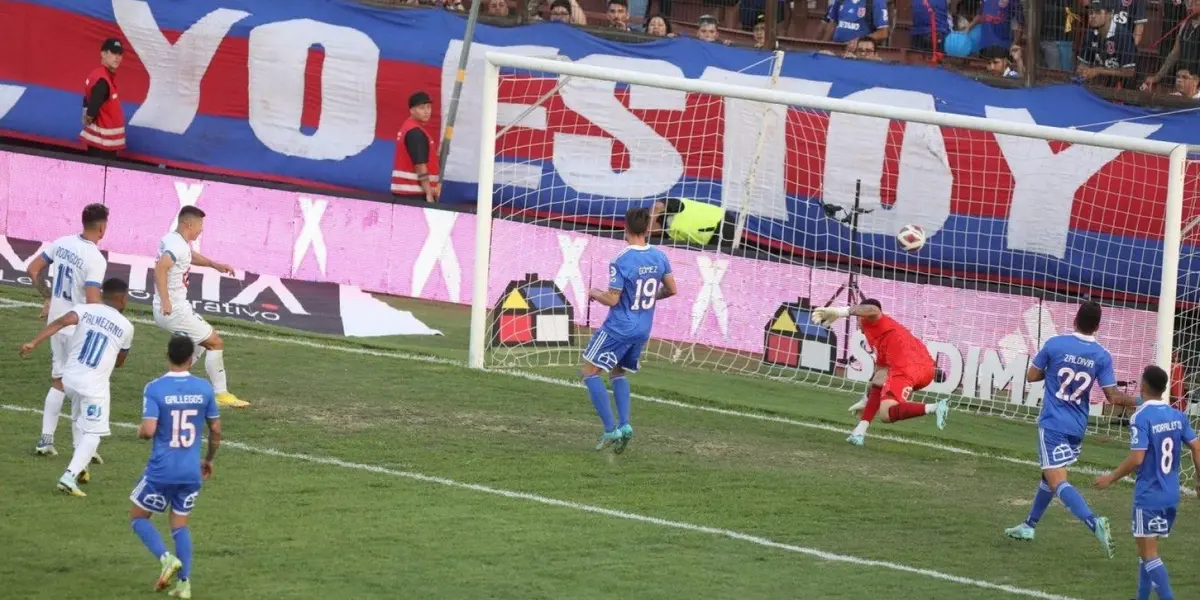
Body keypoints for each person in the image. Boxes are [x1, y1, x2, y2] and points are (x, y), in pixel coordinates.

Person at [1002, 301, 1136, 556]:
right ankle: (1029, 525)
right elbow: (1113, 397)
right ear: (1097, 326)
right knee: (1048, 477)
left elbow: (1031, 376)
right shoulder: (1102, 355)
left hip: (1053, 423)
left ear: (1075, 320)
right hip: (1077, 426)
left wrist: (1052, 370)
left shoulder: (1055, 344)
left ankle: (1093, 522)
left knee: (1057, 481)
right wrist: (1141, 400)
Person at [19, 278, 135, 497]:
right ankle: (69, 476)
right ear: (121, 298)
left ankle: (81, 466)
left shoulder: (84, 310)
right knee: (93, 433)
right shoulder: (126, 327)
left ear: (103, 294)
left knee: (78, 420)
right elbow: (120, 362)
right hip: (93, 387)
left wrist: (34, 342)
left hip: (69, 380)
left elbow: (61, 322)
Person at [1094, 365, 1199, 600]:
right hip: (1171, 494)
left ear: (1142, 385)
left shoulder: (1141, 417)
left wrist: (1110, 478)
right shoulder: (1177, 416)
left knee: (1149, 554)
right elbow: (1197, 446)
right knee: (1147, 549)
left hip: (1149, 495)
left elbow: (1137, 457)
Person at [129, 335, 221, 600]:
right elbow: (215, 429)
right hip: (191, 471)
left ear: (166, 355)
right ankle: (184, 585)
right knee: (180, 526)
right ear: (192, 359)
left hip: (162, 470)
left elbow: (148, 430)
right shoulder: (204, 388)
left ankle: (166, 558)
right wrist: (209, 459)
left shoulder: (155, 388)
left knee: (137, 517)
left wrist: (140, 433)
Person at [581, 207, 676, 453]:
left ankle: (610, 428)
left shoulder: (622, 260)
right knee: (617, 371)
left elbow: (613, 299)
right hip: (643, 327)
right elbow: (671, 290)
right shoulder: (659, 256)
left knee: (590, 372)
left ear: (626, 227)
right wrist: (647, 299)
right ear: (646, 229)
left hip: (619, 327)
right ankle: (624, 426)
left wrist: (594, 292)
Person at [25, 203, 109, 458]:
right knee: (84, 385)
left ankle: (46, 439)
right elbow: (93, 301)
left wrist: (48, 297)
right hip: (78, 330)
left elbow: (32, 269)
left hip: (55, 325)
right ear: (102, 228)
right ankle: (82, 447)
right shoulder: (95, 258)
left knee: (59, 380)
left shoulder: (61, 243)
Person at [811, 300, 949, 446]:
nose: (857, 324)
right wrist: (866, 399)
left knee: (886, 414)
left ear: (862, 315)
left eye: (858, 318)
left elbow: (873, 309)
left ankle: (934, 407)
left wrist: (840, 312)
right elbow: (879, 376)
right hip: (925, 371)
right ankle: (859, 432)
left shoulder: (875, 320)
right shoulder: (880, 336)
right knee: (879, 381)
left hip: (906, 368)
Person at [154, 206, 246, 408]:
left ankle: (170, 381)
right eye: (200, 225)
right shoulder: (176, 246)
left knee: (196, 344)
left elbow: (189, 256)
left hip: (173, 307)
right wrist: (166, 300)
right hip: (174, 309)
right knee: (214, 342)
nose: (201, 229)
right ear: (189, 224)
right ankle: (221, 394)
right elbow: (161, 267)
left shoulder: (173, 240)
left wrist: (214, 264)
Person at [80, 38, 127, 157]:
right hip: (102, 147)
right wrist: (89, 117)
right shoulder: (103, 80)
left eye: (120, 54)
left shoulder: (100, 76)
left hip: (102, 144)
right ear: (103, 54)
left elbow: (87, 100)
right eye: (113, 53)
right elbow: (93, 104)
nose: (117, 57)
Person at [391, 91, 440, 204]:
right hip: (414, 193)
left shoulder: (409, 128)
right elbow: (420, 165)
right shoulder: (415, 132)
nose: (427, 111)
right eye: (422, 108)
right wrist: (428, 193)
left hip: (407, 192)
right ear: (411, 110)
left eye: (428, 107)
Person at [1076, 0, 1136, 88]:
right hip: (1099, 86)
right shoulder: (1090, 34)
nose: (1092, 16)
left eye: (1098, 12)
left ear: (1109, 15)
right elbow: (1083, 63)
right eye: (1090, 12)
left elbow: (1130, 71)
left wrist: (1099, 71)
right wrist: (1082, 70)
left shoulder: (1123, 35)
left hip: (1124, 90)